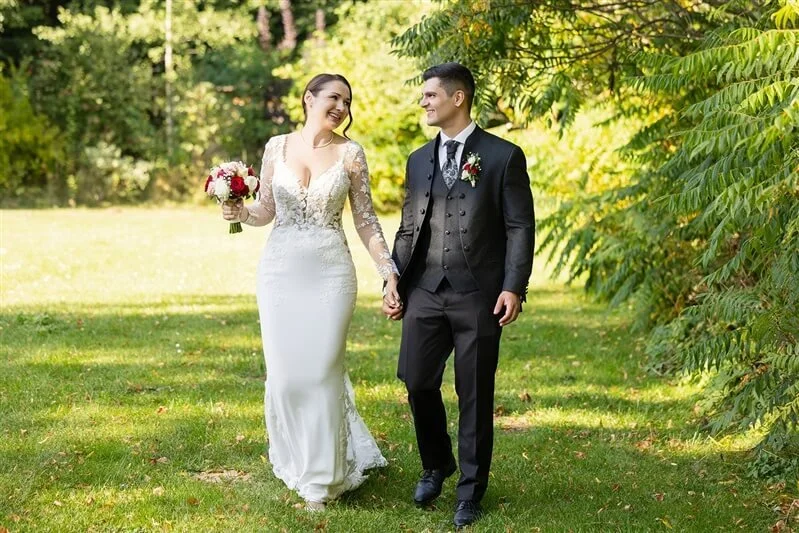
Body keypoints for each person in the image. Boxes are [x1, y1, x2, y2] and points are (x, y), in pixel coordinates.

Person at [222, 73, 401, 511]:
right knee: (286, 377)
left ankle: (322, 481)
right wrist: (237, 209)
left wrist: (388, 271)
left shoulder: (351, 154)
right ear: (309, 99)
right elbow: (266, 210)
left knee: (321, 371)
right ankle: (300, 460)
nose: (340, 106)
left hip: (331, 274)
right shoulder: (276, 147)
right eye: (333, 97)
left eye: (347, 101)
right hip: (279, 273)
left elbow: (365, 220)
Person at [382, 62, 534, 527]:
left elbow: (519, 225)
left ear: (458, 98)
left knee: (474, 393)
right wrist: (393, 278)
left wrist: (513, 286)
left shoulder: (503, 155)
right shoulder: (418, 159)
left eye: (430, 95)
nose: (424, 102)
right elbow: (409, 225)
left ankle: (470, 491)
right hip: (425, 288)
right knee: (415, 378)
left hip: (478, 294)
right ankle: (437, 463)